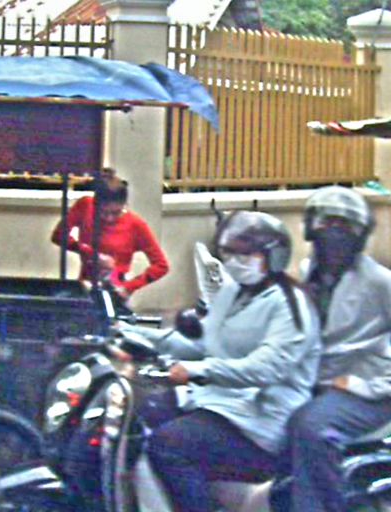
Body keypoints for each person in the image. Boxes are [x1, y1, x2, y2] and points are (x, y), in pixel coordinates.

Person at [66, 210, 320, 512]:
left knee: (167, 446)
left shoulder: (290, 306)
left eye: (246, 254)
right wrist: (129, 334)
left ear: (274, 257)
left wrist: (197, 370)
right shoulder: (233, 294)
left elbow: (265, 368)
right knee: (144, 415)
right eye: (230, 253)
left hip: (261, 424)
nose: (236, 262)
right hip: (224, 407)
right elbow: (198, 343)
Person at [272, 186, 391, 512]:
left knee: (310, 427)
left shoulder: (380, 281)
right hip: (319, 381)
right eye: (327, 223)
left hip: (368, 391)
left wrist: (366, 385)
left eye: (345, 226)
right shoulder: (309, 273)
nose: (334, 233)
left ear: (360, 235)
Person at [51, 168, 169, 299]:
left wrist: (130, 287)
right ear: (95, 204)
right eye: (103, 212)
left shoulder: (136, 225)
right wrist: (90, 252)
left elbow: (161, 265)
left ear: (125, 205)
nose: (109, 218)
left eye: (116, 213)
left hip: (115, 290)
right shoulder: (85, 206)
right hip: (85, 285)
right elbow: (58, 236)